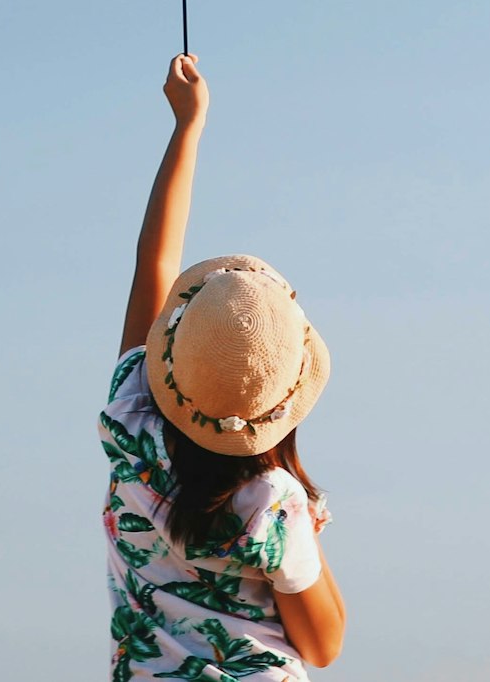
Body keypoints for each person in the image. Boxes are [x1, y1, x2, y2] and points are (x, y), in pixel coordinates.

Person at [99, 54, 346, 681]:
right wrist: (305, 530)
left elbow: (153, 265)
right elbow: (323, 645)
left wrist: (187, 127)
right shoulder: (272, 504)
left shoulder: (130, 424)